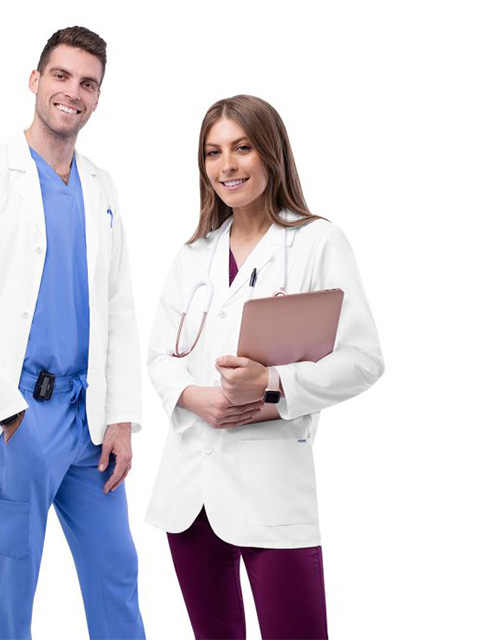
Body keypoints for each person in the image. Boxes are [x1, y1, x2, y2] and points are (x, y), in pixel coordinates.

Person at [145, 95, 384, 639]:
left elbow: (364, 360)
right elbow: (159, 357)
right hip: (190, 493)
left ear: (271, 152)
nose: (226, 165)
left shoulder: (316, 241)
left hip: (271, 485)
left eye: (242, 148)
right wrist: (194, 397)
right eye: (213, 152)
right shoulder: (194, 254)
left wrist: (273, 383)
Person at [0, 26, 146, 640]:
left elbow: (118, 308)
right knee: (14, 583)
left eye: (88, 83)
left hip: (90, 419)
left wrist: (121, 416)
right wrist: (8, 416)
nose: (73, 92)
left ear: (98, 98)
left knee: (116, 569)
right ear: (35, 80)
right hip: (21, 413)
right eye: (61, 75)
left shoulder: (101, 187)